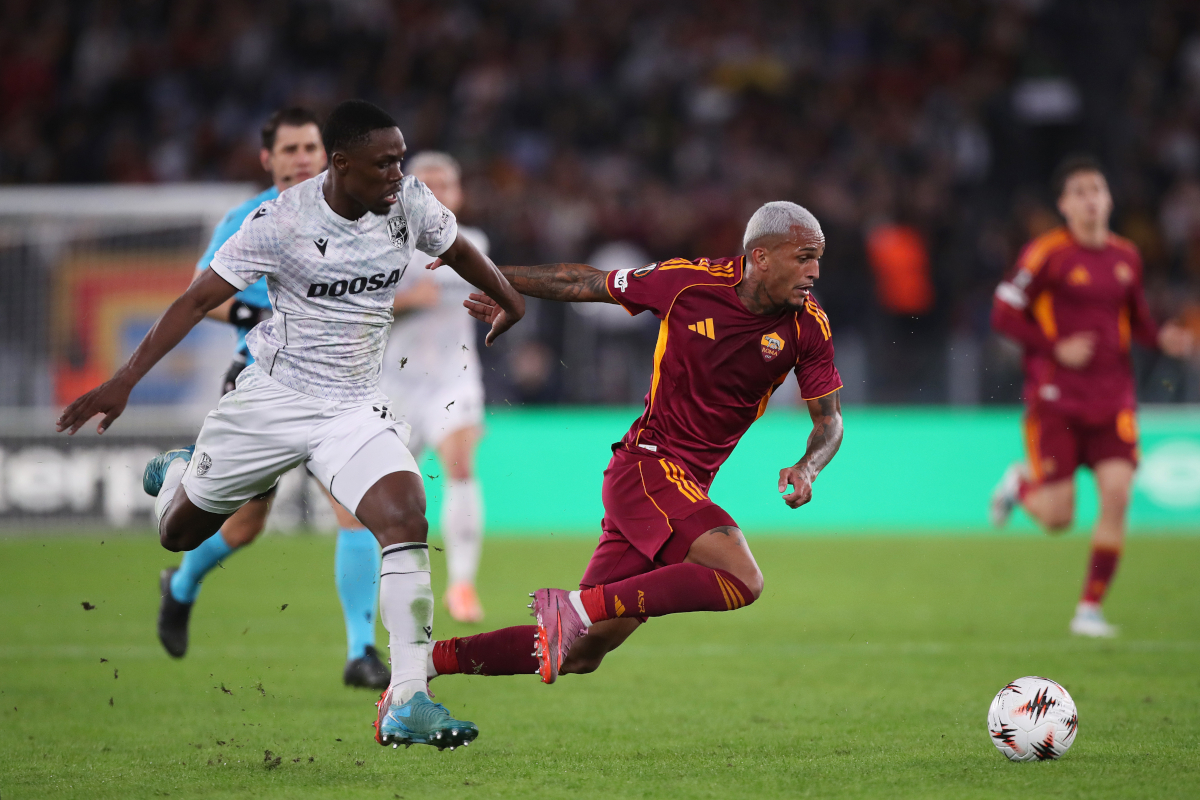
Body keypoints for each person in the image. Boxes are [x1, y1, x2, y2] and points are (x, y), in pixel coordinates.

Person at [56, 99, 525, 750]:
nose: (398, 170)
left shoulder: (409, 202)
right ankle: (178, 474)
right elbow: (197, 300)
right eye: (384, 161)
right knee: (178, 533)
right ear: (341, 165)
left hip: (354, 405)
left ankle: (408, 698)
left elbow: (460, 250)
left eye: (399, 157)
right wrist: (125, 379)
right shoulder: (277, 222)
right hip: (272, 400)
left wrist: (509, 300)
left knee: (404, 515)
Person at [422, 201, 843, 687]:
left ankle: (425, 663)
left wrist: (808, 466)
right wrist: (489, 274)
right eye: (805, 257)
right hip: (647, 467)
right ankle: (578, 606)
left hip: (683, 489)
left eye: (819, 260)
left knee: (578, 651)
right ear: (762, 257)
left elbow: (829, 422)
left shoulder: (808, 326)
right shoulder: (688, 283)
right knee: (743, 579)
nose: (814, 272)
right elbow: (585, 281)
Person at [155, 107, 395, 691]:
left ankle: (361, 651)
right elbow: (200, 296)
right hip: (261, 385)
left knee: (356, 512)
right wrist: (257, 311)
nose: (301, 158)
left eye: (309, 147)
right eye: (288, 150)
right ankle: (181, 585)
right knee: (240, 529)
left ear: (329, 154)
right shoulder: (248, 217)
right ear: (268, 159)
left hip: (339, 393)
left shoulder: (359, 211)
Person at [990, 155, 1193, 638]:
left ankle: (1089, 609)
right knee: (1059, 517)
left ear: (1109, 199)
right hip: (1056, 399)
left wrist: (1161, 337)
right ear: (1064, 204)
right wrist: (1054, 346)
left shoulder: (1127, 257)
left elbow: (1137, 320)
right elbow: (1003, 314)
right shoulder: (1046, 255)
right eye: (1079, 191)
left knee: (1117, 497)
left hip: (1114, 399)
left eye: (1096, 189)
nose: (1089, 199)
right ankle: (1019, 485)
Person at [383, 152, 489, 623]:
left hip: (454, 377)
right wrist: (406, 301)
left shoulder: (474, 244)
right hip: (394, 384)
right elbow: (355, 313)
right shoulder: (382, 247)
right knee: (394, 493)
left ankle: (462, 585)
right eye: (425, 184)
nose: (437, 192)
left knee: (461, 464)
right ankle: (396, 586)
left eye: (445, 184)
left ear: (458, 193)